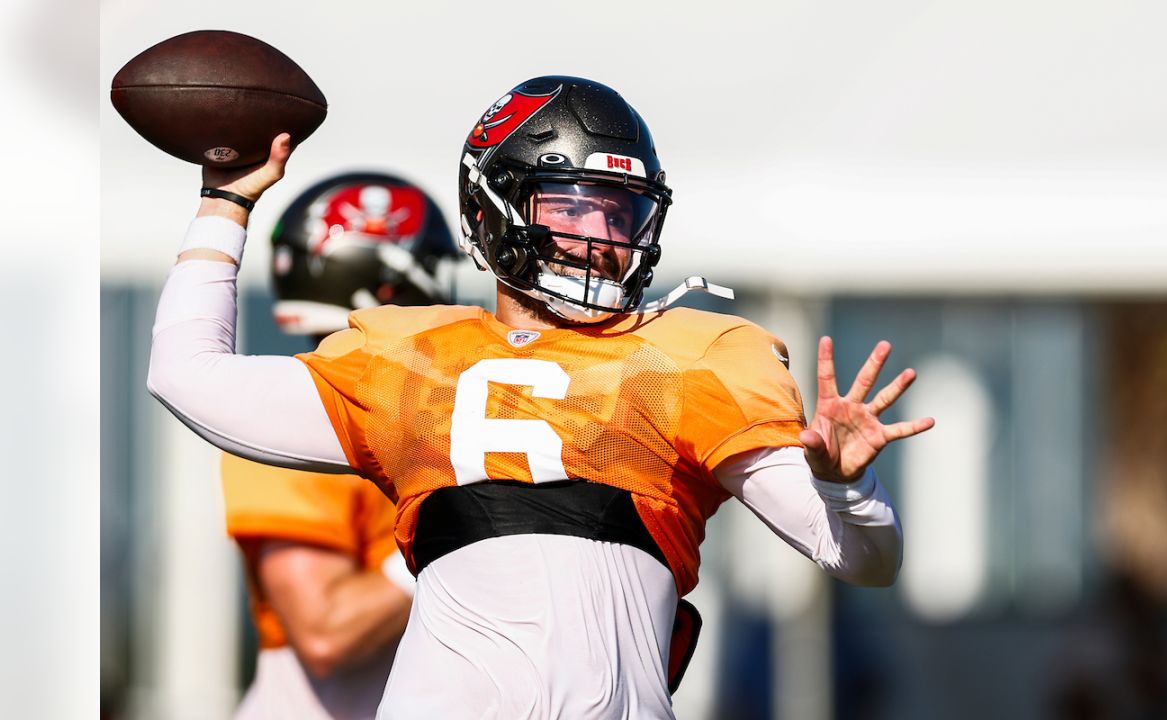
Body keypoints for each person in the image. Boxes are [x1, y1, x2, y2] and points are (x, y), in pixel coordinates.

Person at [148, 75, 935, 719]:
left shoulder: (697, 357)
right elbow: (186, 376)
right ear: (495, 212)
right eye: (570, 205)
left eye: (617, 210)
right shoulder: (406, 358)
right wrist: (226, 201)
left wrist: (846, 486)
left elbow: (863, 558)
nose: (600, 234)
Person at [220, 172, 457, 719]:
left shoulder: (426, 419)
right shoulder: (289, 415)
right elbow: (326, 631)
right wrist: (465, 531)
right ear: (387, 282)